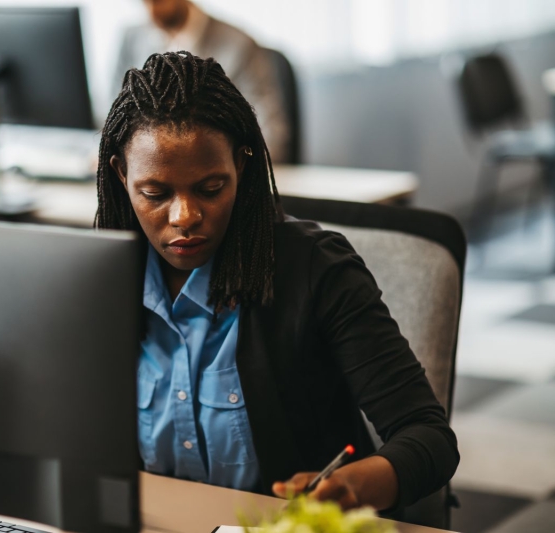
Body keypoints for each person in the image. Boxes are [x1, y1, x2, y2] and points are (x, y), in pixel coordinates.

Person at [96, 51, 459, 513]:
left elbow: (429, 438)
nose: (184, 217)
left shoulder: (315, 270)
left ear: (242, 167)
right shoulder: (101, 281)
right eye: (155, 193)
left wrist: (356, 486)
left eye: (210, 188)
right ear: (121, 175)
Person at [113, 0, 291, 163]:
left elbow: (270, 132)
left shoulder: (239, 45)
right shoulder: (132, 39)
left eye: (159, 1)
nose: (151, 12)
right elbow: (115, 115)